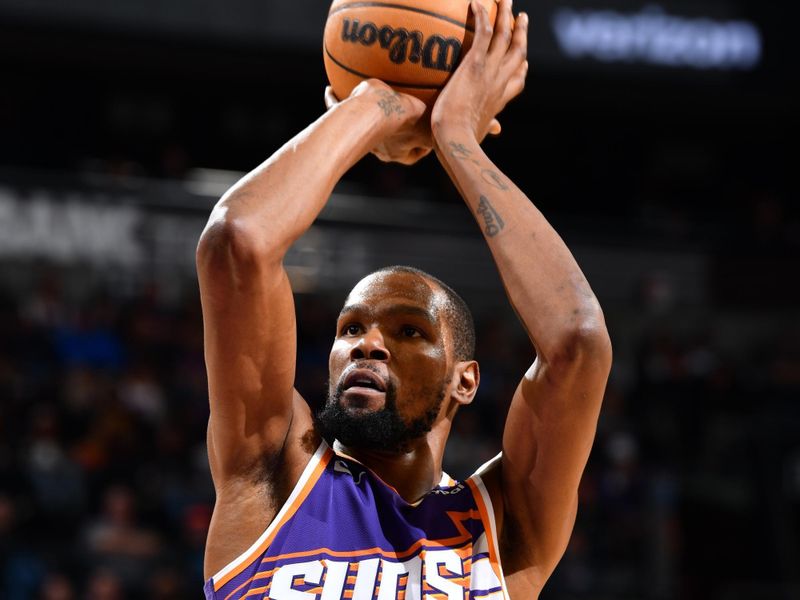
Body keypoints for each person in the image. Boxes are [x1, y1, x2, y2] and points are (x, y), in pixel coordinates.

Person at [197, 0, 612, 598]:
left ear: (465, 381)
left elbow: (579, 341)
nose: (368, 343)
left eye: (410, 331)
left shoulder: (504, 523)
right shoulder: (273, 475)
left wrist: (457, 138)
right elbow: (237, 242)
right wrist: (378, 102)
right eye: (349, 328)